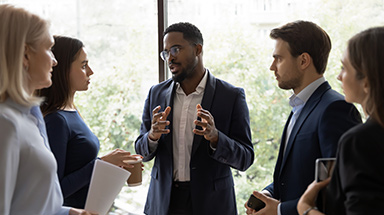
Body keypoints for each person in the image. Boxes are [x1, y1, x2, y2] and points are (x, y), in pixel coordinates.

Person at [135, 22, 254, 215]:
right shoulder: (156, 94)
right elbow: (141, 151)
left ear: (197, 49)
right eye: (166, 52)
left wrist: (216, 137)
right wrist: (152, 136)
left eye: (176, 49)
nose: (170, 58)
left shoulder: (231, 96)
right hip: (163, 204)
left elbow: (246, 158)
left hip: (212, 205)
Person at [245, 20, 362, 215]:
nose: (272, 67)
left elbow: (337, 188)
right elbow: (292, 177)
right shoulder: (298, 107)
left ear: (303, 61)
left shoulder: (336, 108)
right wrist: (267, 194)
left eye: (278, 59)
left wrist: (281, 210)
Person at [0, 4, 95, 215]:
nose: (55, 61)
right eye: (49, 48)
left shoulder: (32, 117)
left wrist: (69, 213)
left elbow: (33, 203)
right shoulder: (5, 123)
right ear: (25, 55)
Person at [36, 35, 138, 209]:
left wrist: (112, 167)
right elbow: (55, 191)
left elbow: (80, 170)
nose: (90, 71)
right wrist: (102, 164)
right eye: (83, 65)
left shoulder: (72, 112)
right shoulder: (56, 120)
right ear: (62, 69)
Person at [297, 26, 384, 215]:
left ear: (367, 80)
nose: (338, 76)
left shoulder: (360, 141)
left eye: (344, 68)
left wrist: (306, 209)